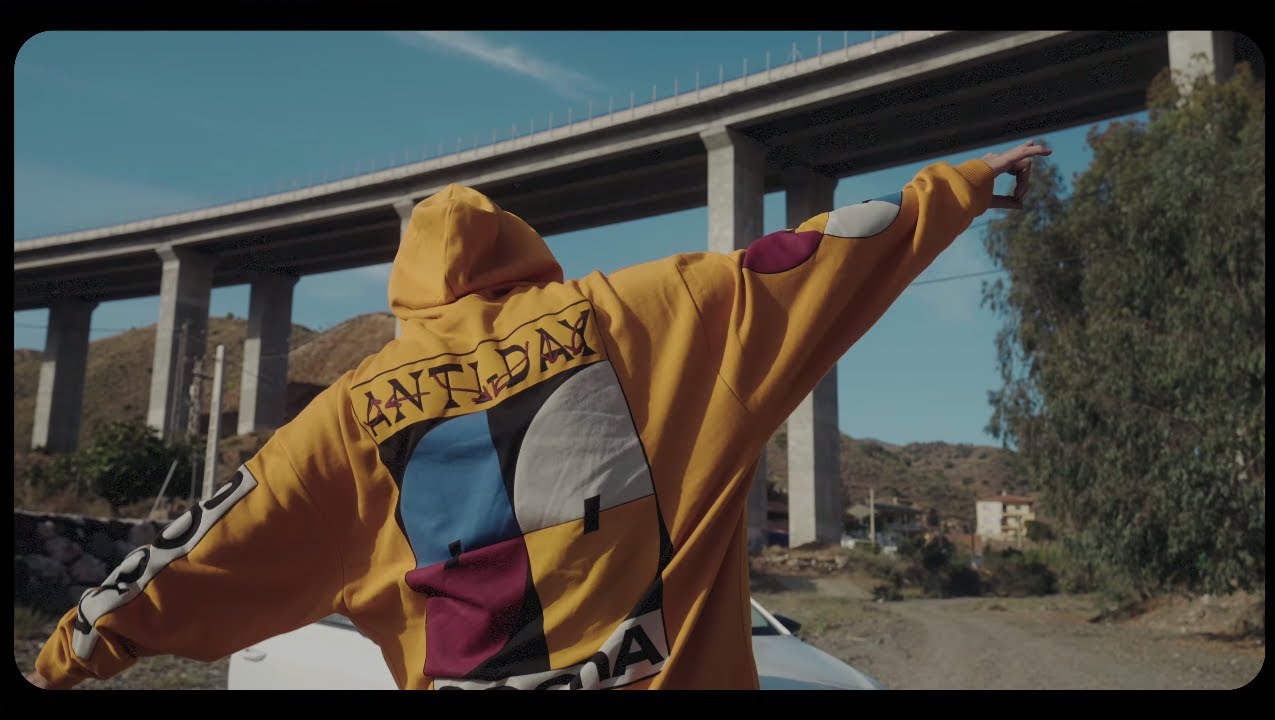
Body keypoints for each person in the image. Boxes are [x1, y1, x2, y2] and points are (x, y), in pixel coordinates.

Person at [26, 140, 1050, 690]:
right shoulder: (651, 315)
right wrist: (961, 186)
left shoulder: (346, 417)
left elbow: (204, 544)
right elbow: (813, 254)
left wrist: (73, 646)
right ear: (524, 253)